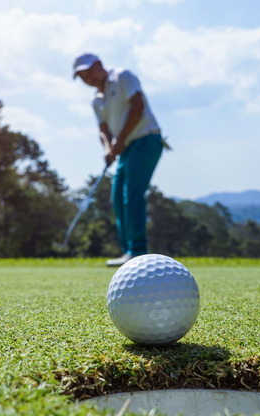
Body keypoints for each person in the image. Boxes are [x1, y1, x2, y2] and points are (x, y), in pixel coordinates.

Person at [73, 53, 166, 267]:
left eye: (89, 71)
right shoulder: (96, 100)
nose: (88, 78)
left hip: (146, 139)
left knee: (131, 195)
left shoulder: (122, 76)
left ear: (99, 65)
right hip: (126, 148)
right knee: (118, 198)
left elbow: (138, 106)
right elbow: (103, 129)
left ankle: (137, 250)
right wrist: (108, 148)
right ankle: (128, 253)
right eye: (83, 76)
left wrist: (120, 140)